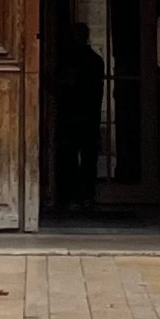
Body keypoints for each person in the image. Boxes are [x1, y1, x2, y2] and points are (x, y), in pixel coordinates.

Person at [53, 20, 106, 209]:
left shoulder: (72, 60)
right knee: (84, 158)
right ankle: (84, 196)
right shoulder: (94, 60)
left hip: (75, 114)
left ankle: (73, 196)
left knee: (72, 157)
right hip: (86, 114)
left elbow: (62, 85)